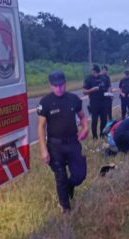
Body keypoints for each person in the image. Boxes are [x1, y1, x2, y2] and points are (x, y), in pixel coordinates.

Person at [37, 70, 89, 213]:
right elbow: (41, 127)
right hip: (55, 146)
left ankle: (70, 186)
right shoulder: (45, 102)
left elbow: (83, 117)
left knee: (80, 175)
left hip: (72, 143)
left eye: (61, 85)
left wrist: (86, 128)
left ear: (66, 83)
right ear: (50, 85)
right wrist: (43, 149)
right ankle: (65, 208)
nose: (59, 88)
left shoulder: (73, 99)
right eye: (55, 85)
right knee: (60, 176)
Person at [82, 64, 107, 139]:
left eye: (92, 70)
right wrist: (92, 90)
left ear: (96, 71)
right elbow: (84, 91)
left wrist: (109, 93)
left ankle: (102, 135)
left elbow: (108, 86)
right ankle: (95, 136)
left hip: (103, 101)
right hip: (94, 103)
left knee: (104, 120)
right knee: (94, 120)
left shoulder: (103, 78)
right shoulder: (88, 79)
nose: (91, 72)